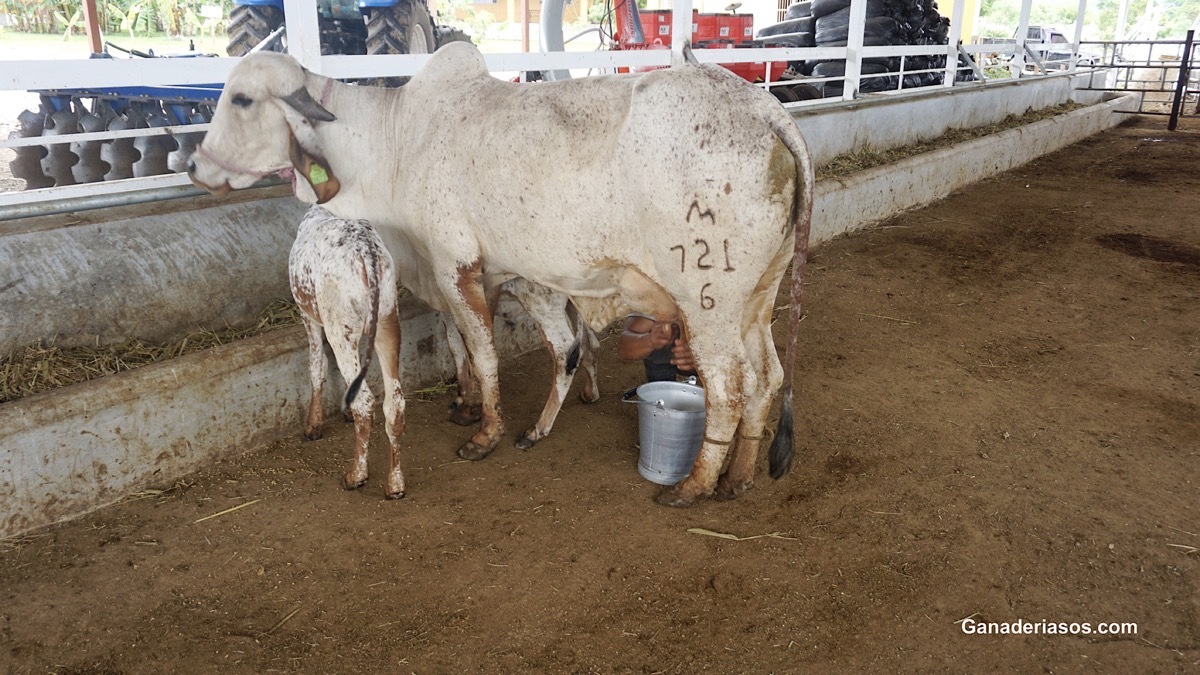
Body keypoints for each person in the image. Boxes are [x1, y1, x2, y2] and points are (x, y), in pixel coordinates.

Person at [617, 314, 696, 395]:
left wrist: (703, 357)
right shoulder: (662, 303)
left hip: (706, 357)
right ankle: (661, 392)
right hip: (674, 356)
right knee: (661, 336)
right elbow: (624, 348)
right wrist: (649, 341)